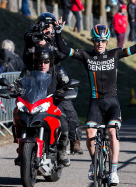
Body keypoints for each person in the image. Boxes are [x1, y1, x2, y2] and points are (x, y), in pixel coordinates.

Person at [54, 18, 136, 185]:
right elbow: (65, 50)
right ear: (93, 41)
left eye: (102, 41)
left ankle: (114, 171)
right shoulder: (86, 55)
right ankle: (95, 163)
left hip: (112, 103)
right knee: (89, 133)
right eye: (96, 40)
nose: (100, 44)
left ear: (107, 41)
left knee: (112, 133)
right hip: (95, 103)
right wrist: (58, 32)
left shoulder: (114, 54)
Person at [22, 12, 83, 155]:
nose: (46, 29)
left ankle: (74, 139)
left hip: (55, 76)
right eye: (44, 26)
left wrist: (49, 42)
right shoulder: (32, 37)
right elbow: (26, 56)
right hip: (35, 78)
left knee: (69, 113)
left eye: (49, 26)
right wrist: (37, 39)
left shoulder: (57, 38)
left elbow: (63, 54)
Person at [13, 47, 72, 166]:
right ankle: (21, 147)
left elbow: (68, 84)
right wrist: (13, 88)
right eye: (40, 62)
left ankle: (61, 150)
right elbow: (18, 83)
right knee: (17, 115)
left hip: (53, 104)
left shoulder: (58, 70)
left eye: (46, 62)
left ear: (50, 61)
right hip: (33, 103)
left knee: (64, 122)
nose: (43, 64)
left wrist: (65, 90)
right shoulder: (28, 71)